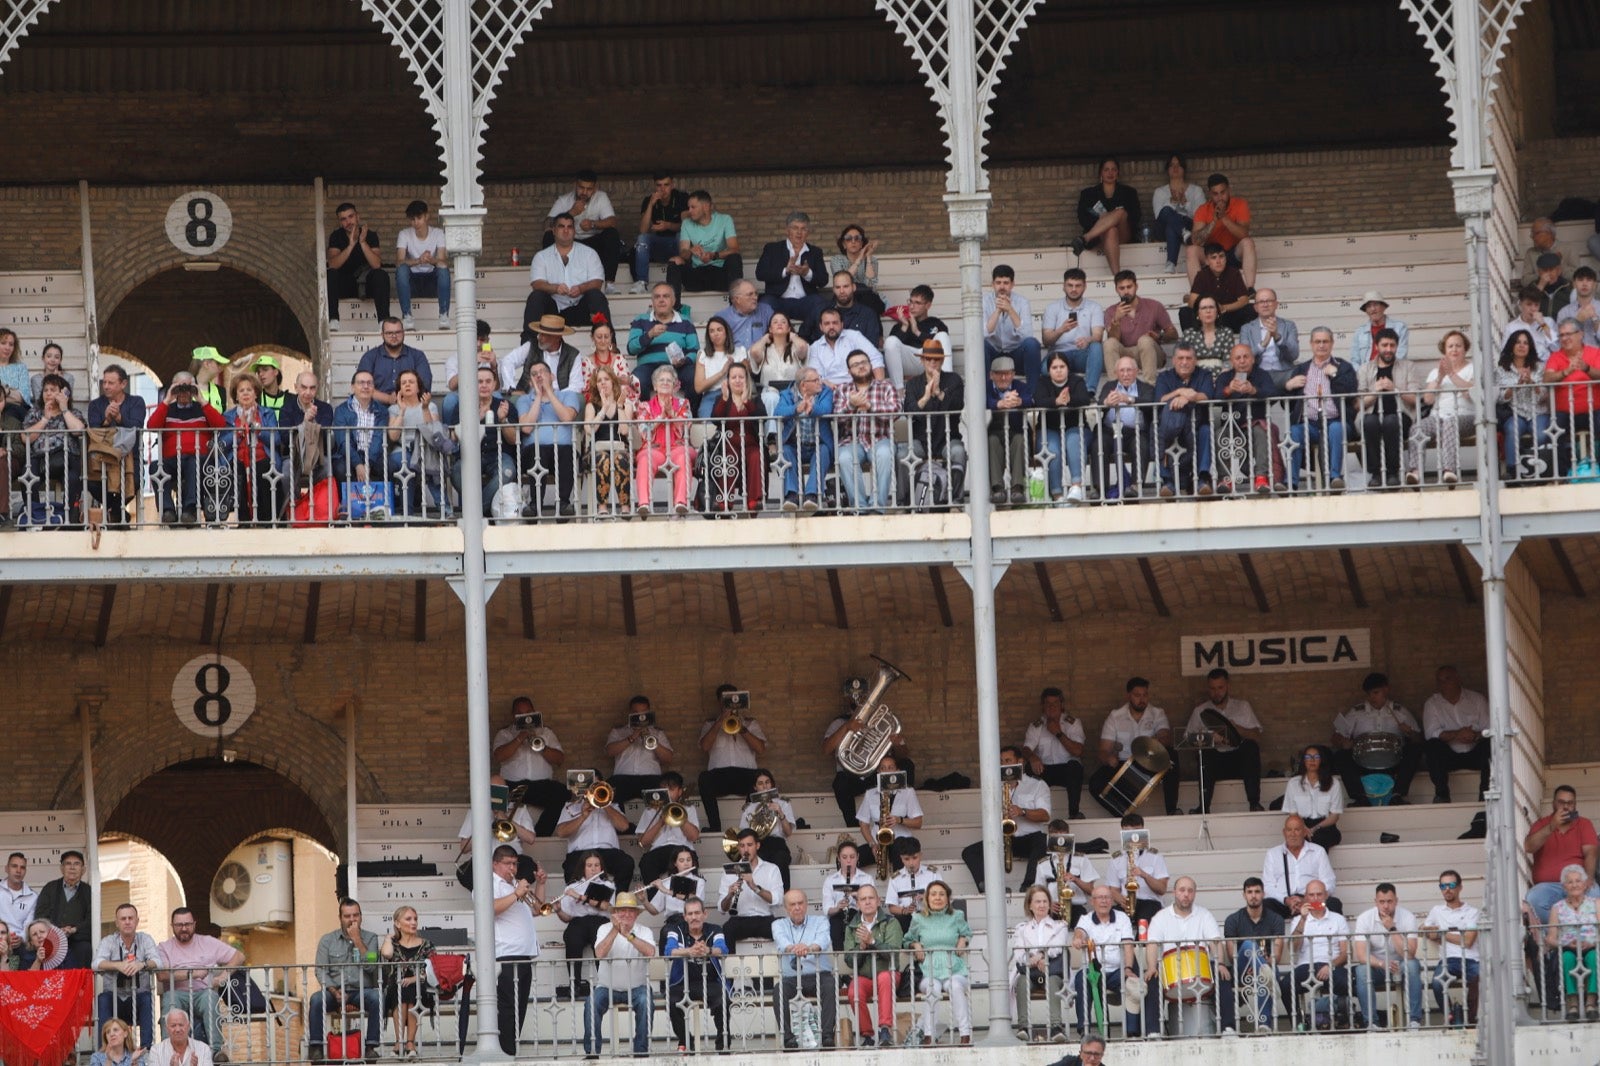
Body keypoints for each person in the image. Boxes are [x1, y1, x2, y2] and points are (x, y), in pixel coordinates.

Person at [1139, 875, 1222, 1036]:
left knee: (1223, 976)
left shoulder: (1204, 914)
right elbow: (1152, 944)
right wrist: (1151, 967)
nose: (1186, 894)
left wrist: (1220, 964)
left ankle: (1228, 1028)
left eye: (1190, 891)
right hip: (1170, 969)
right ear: (1174, 892)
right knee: (1152, 979)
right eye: (1182, 890)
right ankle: (1153, 1031)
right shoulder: (1160, 917)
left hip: (1201, 966)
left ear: (1195, 894)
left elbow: (1215, 941)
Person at [1088, 678, 1179, 817]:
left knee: (1172, 755)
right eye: (1137, 695)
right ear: (1128, 695)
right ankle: (1122, 815)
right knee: (1095, 782)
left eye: (1145, 695)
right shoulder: (1115, 716)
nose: (1142, 699)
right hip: (1125, 764)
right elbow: (1103, 751)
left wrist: (1156, 741)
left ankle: (1172, 810)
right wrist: (1108, 758)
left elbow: (1165, 737)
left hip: (1150, 762)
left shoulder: (1157, 713)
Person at [962, 746, 1049, 892]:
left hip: (1030, 839)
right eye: (1001, 761)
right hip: (1005, 838)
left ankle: (1028, 886)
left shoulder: (1037, 785)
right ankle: (989, 888)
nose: (1004, 765)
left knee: (1042, 840)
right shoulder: (994, 787)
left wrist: (1022, 811)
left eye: (1008, 760)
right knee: (969, 852)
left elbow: (1045, 815)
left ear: (1020, 762)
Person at [482, 846, 542, 1056]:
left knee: (519, 1008)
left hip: (524, 954)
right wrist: (516, 894)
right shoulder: (488, 883)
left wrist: (540, 885)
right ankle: (505, 1052)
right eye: (508, 863)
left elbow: (537, 909)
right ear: (494, 864)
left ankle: (509, 1050)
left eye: (515, 863)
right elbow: (488, 908)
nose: (513, 868)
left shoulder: (515, 885)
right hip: (506, 954)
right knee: (508, 1009)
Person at [1330, 671, 1423, 806]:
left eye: (1376, 693)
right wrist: (1343, 742)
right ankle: (1360, 797)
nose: (1372, 697)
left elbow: (1419, 739)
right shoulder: (1357, 712)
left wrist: (1410, 733)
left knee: (1414, 750)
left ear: (1386, 689)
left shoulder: (1400, 711)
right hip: (1363, 763)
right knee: (1341, 756)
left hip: (1394, 763)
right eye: (1369, 694)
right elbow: (1335, 737)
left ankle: (1397, 795)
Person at [307, 899, 383, 1062]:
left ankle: (370, 1047)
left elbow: (371, 967)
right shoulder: (327, 940)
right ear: (340, 917)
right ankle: (316, 1047)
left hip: (362, 990)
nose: (352, 919)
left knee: (377, 998)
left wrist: (357, 940)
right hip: (334, 991)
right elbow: (320, 970)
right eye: (347, 916)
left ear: (361, 917)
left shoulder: (371, 939)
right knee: (316, 999)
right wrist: (334, 991)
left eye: (356, 915)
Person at [156, 908, 242, 1049]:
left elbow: (239, 957)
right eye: (179, 925)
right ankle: (169, 1051)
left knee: (210, 997)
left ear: (194, 924)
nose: (184, 928)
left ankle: (216, 1051)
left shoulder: (208, 942)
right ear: (172, 926)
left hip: (203, 992)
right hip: (177, 994)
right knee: (170, 1000)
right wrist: (193, 974)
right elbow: (162, 975)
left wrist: (222, 978)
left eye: (187, 924)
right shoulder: (164, 947)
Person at [1284, 326, 1358, 491]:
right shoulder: (1301, 369)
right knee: (1293, 431)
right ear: (1311, 344)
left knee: (1336, 429)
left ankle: (1334, 477)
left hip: (1336, 421)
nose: (1321, 345)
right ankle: (1291, 482)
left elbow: (1351, 391)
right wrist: (1288, 386)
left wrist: (1335, 375)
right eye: (1317, 341)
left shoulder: (1343, 366)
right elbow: (1286, 404)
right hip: (1309, 424)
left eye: (1325, 341)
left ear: (1332, 344)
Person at [147, 372, 226, 526]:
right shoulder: (167, 409)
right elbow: (152, 426)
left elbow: (220, 425)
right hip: (172, 459)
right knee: (155, 467)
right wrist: (168, 399)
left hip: (198, 459)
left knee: (193, 462)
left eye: (187, 387)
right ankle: (168, 511)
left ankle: (190, 510)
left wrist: (201, 399)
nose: (183, 392)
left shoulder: (202, 408)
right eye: (179, 388)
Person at [583, 892, 655, 1056]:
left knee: (645, 1001)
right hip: (606, 987)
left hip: (637, 988)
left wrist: (629, 936)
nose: (626, 914)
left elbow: (650, 952)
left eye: (631, 910)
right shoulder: (604, 929)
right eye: (622, 910)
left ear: (636, 914)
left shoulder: (644, 931)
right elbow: (599, 953)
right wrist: (615, 930)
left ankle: (640, 1053)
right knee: (591, 1004)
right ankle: (592, 1053)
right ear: (614, 913)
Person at [1185, 667, 1265, 812]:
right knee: (1205, 754)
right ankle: (1203, 807)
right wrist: (1210, 739)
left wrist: (1236, 729)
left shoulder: (1242, 706)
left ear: (1228, 686)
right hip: (1215, 763)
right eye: (1212, 688)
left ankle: (1254, 803)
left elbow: (1257, 736)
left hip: (1240, 761)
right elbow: (1187, 740)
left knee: (1250, 747)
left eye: (1220, 687)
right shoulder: (1200, 710)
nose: (1217, 692)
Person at [1404, 329, 1476, 485]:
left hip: (1466, 416)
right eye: (1450, 346)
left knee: (1450, 423)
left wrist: (1452, 375)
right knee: (1417, 428)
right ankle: (1415, 472)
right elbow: (1428, 399)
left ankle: (1449, 470)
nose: (1454, 350)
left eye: (1458, 346)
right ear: (1445, 350)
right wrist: (1440, 377)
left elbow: (1469, 393)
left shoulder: (1472, 368)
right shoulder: (1436, 372)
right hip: (1438, 416)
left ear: (1465, 349)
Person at [905, 879, 972, 1045]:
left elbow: (967, 932)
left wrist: (963, 939)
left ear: (948, 899)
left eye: (942, 894)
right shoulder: (919, 918)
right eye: (933, 894)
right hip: (930, 970)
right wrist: (916, 944)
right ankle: (928, 1034)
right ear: (927, 899)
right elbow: (907, 940)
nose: (937, 897)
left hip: (954, 969)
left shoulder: (957, 916)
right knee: (932, 988)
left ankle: (965, 1033)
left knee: (955, 987)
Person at [901, 338, 966, 507]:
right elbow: (908, 412)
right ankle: (904, 503)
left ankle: (955, 502)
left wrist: (938, 393)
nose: (932, 362)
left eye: (936, 359)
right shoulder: (913, 384)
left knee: (958, 452)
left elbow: (957, 406)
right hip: (921, 440)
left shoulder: (953, 380)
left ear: (942, 360)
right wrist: (925, 397)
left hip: (947, 438)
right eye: (928, 359)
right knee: (903, 455)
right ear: (922, 360)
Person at [829, 349, 897, 511]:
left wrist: (870, 407)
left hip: (880, 438)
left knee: (885, 454)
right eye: (855, 364)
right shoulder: (842, 390)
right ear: (849, 370)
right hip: (850, 440)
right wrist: (851, 405)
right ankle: (859, 507)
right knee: (844, 457)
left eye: (864, 363)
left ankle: (877, 506)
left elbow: (895, 411)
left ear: (871, 365)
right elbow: (836, 417)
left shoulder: (885, 386)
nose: (861, 367)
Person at [490, 696, 567, 836]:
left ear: (534, 712)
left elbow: (559, 759)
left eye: (529, 711)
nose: (525, 715)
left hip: (541, 786)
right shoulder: (505, 733)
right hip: (513, 786)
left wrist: (541, 746)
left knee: (562, 792)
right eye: (520, 712)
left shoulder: (546, 733)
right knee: (494, 791)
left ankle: (541, 834)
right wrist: (520, 737)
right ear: (513, 716)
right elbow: (498, 756)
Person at [1351, 882, 1424, 1030]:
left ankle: (1414, 1020)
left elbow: (1409, 954)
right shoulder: (1365, 918)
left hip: (1401, 964)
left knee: (1412, 965)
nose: (1385, 906)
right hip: (1377, 966)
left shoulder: (1407, 917)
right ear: (1375, 902)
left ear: (1396, 901)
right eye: (1382, 902)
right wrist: (1382, 964)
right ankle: (1372, 1023)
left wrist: (1392, 928)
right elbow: (1361, 955)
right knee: (1361, 970)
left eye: (1389, 901)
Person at [1208, 342, 1279, 493]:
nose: (1242, 361)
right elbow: (1215, 397)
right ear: (1232, 361)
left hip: (1254, 424)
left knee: (1261, 432)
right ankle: (1225, 480)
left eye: (1245, 357)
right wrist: (1229, 389)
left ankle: (1261, 478)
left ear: (1252, 359)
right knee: (1218, 434)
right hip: (1231, 426)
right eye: (1238, 358)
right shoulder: (1225, 377)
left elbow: (1273, 395)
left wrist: (1254, 390)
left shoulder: (1262, 375)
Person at [1355, 328, 1421, 490]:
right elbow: (1358, 404)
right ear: (1377, 346)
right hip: (1372, 417)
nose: (1388, 349)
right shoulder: (1365, 369)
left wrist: (1395, 389)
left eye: (1392, 345)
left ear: (1397, 347)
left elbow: (1415, 400)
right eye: (1384, 345)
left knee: (1391, 421)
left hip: (1401, 417)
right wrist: (1375, 391)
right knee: (1370, 422)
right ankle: (1376, 474)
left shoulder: (1408, 366)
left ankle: (1392, 473)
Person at [449, 367, 518, 518]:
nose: (484, 385)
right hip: (471, 455)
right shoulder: (463, 406)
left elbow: (513, 440)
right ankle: (484, 511)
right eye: (479, 381)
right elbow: (454, 438)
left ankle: (475, 513)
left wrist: (503, 420)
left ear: (494, 385)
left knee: (508, 471)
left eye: (488, 381)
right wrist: (473, 419)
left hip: (499, 455)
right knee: (456, 472)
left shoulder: (505, 406)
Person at [771, 890, 837, 1050]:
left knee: (830, 986)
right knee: (778, 991)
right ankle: (788, 1038)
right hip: (792, 978)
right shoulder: (778, 924)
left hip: (819, 974)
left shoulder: (821, 921)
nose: (797, 907)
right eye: (793, 904)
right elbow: (782, 942)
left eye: (800, 903)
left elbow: (823, 941)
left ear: (806, 905)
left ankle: (827, 1036)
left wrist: (808, 948)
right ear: (786, 908)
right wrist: (794, 948)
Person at [1523, 785, 1600, 921]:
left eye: (1570, 803)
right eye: (1561, 802)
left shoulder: (1584, 824)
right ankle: (1557, 934)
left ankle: (1581, 935)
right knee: (1533, 898)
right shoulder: (1542, 824)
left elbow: (1591, 853)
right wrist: (1552, 826)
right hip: (1548, 885)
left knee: (1595, 894)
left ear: (1575, 805)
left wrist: (1588, 877)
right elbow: (1529, 847)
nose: (1566, 807)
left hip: (1577, 883)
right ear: (1553, 803)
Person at [523, 213, 610, 332]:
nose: (566, 230)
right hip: (553, 313)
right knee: (536, 297)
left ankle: (610, 344)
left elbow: (597, 282)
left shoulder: (589, 253)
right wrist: (555, 288)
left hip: (581, 309)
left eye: (569, 227)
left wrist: (581, 288)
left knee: (596, 295)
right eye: (561, 226)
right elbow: (536, 284)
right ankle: (529, 345)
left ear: (574, 231)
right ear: (553, 230)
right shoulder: (541, 256)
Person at [697, 684, 767, 831]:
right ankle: (715, 827)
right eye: (725, 700)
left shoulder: (750, 723)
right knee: (704, 778)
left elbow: (760, 749)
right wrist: (720, 721)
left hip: (746, 775)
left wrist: (743, 729)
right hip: (719, 776)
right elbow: (704, 747)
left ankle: (750, 826)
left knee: (761, 776)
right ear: (719, 702)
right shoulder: (710, 724)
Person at [515, 362, 581, 518]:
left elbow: (566, 418)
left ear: (552, 376)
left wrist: (549, 393)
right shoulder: (524, 400)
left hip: (562, 450)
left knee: (566, 451)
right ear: (530, 382)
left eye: (543, 371)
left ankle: (563, 504)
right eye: (534, 373)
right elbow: (526, 428)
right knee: (538, 451)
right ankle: (535, 505)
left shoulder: (567, 395)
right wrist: (538, 396)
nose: (539, 375)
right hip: (534, 452)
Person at [1219, 877, 1284, 1034]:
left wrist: (1261, 963)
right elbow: (1231, 954)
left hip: (1265, 967)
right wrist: (1256, 961)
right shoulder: (1233, 920)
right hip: (1241, 969)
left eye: (1257, 892)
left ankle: (1263, 1025)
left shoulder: (1276, 919)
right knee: (1248, 945)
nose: (1253, 895)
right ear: (1244, 895)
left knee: (1266, 972)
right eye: (1249, 892)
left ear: (1263, 894)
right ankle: (1267, 975)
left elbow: (1277, 955)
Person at [1070, 884, 1136, 1038]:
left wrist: (1128, 968)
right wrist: (1078, 939)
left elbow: (1128, 945)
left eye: (1107, 897)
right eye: (1100, 897)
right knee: (1082, 979)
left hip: (1117, 971)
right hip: (1093, 970)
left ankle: (1133, 1031)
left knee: (1134, 985)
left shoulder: (1122, 918)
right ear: (1093, 901)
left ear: (1112, 900)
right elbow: (1079, 932)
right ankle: (1083, 1029)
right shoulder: (1085, 919)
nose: (1104, 901)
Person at [842, 884, 903, 1047]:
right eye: (863, 899)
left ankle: (884, 1029)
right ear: (857, 904)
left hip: (888, 975)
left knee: (884, 977)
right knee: (854, 989)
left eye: (871, 898)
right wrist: (861, 947)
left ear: (878, 901)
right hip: (865, 977)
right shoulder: (851, 927)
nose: (867, 902)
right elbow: (848, 960)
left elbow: (893, 952)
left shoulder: (891, 922)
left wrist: (873, 942)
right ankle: (866, 1034)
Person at [663, 898, 728, 1051]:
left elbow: (723, 949)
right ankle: (686, 1042)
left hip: (710, 982)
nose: (694, 917)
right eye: (690, 914)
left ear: (705, 914)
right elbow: (668, 951)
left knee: (723, 1000)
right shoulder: (675, 930)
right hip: (682, 983)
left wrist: (708, 951)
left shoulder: (715, 929)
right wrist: (689, 951)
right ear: (685, 917)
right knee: (671, 1002)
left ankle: (723, 1044)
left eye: (697, 913)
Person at [384, 369, 450, 520]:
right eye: (403, 383)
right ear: (399, 388)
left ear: (418, 387)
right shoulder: (394, 409)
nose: (407, 385)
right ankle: (408, 513)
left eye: (411, 382)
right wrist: (402, 411)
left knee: (430, 465)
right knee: (406, 462)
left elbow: (433, 431)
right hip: (402, 450)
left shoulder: (430, 406)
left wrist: (425, 408)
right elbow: (393, 436)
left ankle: (445, 510)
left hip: (424, 449)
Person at [19, 373, 85, 522]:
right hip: (40, 458)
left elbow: (78, 430)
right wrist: (44, 419)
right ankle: (34, 515)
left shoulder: (73, 413)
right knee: (27, 475)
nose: (48, 393)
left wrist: (64, 409)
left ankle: (70, 517)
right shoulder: (34, 413)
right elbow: (25, 438)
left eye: (53, 389)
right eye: (45, 390)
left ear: (63, 393)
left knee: (73, 478)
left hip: (66, 458)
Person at [87, 364, 147, 527]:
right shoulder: (96, 405)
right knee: (92, 483)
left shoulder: (136, 402)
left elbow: (137, 426)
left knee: (135, 481)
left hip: (129, 455)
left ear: (123, 384)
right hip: (103, 456)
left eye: (111, 383)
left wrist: (119, 417)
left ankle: (113, 512)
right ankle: (118, 512)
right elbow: (93, 430)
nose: (106, 386)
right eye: (104, 382)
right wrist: (106, 420)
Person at [1152, 341, 1215, 497]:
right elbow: (1160, 399)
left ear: (1195, 360)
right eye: (1180, 358)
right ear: (1173, 360)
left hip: (1197, 425)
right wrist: (1180, 392)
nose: (1184, 362)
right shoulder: (1164, 376)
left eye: (1188, 358)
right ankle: (1168, 482)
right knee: (1157, 431)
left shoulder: (1204, 375)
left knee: (1206, 430)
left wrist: (1191, 397)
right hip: (1171, 427)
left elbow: (1207, 395)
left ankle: (1202, 479)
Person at [1287, 879, 1351, 1030]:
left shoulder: (1338, 919)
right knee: (1285, 985)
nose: (1315, 899)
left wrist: (1331, 965)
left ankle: (1341, 1018)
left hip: (1331, 965)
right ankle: (1298, 1025)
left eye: (1319, 894)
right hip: (1306, 966)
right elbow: (1293, 948)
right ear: (1306, 898)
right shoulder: (1298, 920)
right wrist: (1303, 919)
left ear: (1326, 896)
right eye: (1311, 895)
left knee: (1346, 980)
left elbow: (1346, 952)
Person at [1420, 665, 1490, 803]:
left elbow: (1489, 729)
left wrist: (1475, 735)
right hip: (1449, 756)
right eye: (1440, 681)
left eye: (1448, 679)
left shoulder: (1476, 699)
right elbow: (1431, 733)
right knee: (1432, 746)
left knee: (1490, 744)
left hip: (1474, 753)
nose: (1444, 684)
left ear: (1458, 679)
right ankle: (1442, 794)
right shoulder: (1432, 703)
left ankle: (1485, 793)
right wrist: (1457, 734)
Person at [95, 903, 161, 1049]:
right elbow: (96, 963)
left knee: (147, 997)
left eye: (131, 918)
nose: (127, 921)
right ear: (117, 923)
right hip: (114, 998)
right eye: (123, 918)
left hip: (137, 997)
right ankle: (104, 1051)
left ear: (137, 921)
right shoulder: (108, 941)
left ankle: (146, 1050)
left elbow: (158, 961)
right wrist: (118, 965)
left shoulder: (145, 939)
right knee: (103, 999)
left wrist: (141, 964)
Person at [634, 365, 697, 517]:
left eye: (669, 380)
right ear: (655, 385)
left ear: (675, 386)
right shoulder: (644, 406)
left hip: (677, 446)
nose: (665, 383)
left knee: (683, 456)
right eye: (661, 380)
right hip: (655, 448)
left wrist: (672, 414)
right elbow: (644, 432)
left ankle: (680, 503)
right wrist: (661, 417)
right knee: (645, 458)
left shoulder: (683, 404)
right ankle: (644, 503)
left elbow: (685, 429)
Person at [543, 169, 622, 290]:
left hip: (593, 244)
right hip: (570, 244)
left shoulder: (601, 197)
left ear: (595, 188)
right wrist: (571, 213)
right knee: (548, 236)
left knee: (612, 234)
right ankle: (552, 283)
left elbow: (612, 222)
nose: (584, 192)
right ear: (575, 185)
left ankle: (610, 284)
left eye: (589, 189)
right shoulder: (564, 200)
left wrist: (594, 224)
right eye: (581, 188)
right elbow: (546, 225)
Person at [1421, 869, 1480, 1025]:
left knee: (1482, 979)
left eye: (1451, 885)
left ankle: (1470, 1018)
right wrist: (1432, 933)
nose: (1447, 889)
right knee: (1437, 982)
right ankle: (1451, 1016)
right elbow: (1423, 930)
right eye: (1443, 886)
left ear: (1460, 887)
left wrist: (1441, 933)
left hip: (1471, 960)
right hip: (1448, 960)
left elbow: (1468, 941)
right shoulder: (1436, 911)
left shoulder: (1472, 912)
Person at [221, 373, 281, 525]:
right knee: (237, 471)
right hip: (237, 460)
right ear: (236, 395)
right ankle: (244, 522)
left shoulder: (267, 413)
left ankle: (266, 521)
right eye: (241, 391)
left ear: (256, 393)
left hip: (263, 458)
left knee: (263, 469)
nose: (246, 393)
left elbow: (277, 440)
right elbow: (223, 442)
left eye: (249, 390)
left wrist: (258, 428)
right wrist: (239, 431)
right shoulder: (228, 416)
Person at [1094, 354, 1156, 500]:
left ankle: (1134, 486)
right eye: (1122, 371)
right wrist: (1106, 402)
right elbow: (1099, 404)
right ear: (1116, 373)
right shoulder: (1109, 386)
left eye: (1129, 370)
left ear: (1137, 371)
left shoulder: (1145, 387)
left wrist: (1129, 399)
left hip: (1135, 432)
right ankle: (1099, 488)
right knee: (1099, 444)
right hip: (1111, 430)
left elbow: (1149, 402)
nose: (1126, 374)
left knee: (1141, 445)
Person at [1543, 319, 1600, 479]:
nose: (1564, 338)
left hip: (1594, 409)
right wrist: (1565, 372)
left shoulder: (1594, 352)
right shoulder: (1556, 356)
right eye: (1561, 335)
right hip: (1565, 412)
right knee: (1553, 431)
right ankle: (1562, 475)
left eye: (1568, 334)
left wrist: (1586, 368)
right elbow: (1547, 379)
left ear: (1580, 334)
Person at [1011, 884, 1068, 1042]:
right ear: (1030, 905)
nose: (1042, 905)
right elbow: (1019, 953)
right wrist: (1033, 961)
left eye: (1045, 901)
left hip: (1052, 971)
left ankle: (1056, 1027)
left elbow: (1057, 947)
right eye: (1037, 902)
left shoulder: (1060, 926)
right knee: (1022, 981)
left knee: (1051, 981)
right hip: (1030, 971)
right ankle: (1024, 1027)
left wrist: (1041, 956)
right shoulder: (1021, 929)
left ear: (1050, 904)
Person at [555, 774, 634, 887]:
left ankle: (617, 900)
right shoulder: (570, 807)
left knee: (626, 863)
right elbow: (561, 832)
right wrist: (582, 816)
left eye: (595, 785)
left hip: (608, 852)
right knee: (570, 867)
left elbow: (624, 826)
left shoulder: (613, 806)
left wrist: (604, 803)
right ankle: (577, 900)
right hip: (580, 853)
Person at [707, 362, 766, 513]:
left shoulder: (755, 398)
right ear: (728, 381)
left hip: (750, 445)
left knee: (755, 456)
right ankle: (724, 500)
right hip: (728, 446)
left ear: (747, 380)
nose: (738, 380)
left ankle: (754, 501)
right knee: (729, 456)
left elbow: (762, 418)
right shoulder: (722, 399)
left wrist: (747, 403)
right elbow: (715, 419)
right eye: (734, 377)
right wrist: (725, 399)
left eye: (741, 377)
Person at [775, 367, 835, 512]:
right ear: (803, 384)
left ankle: (811, 495)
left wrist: (813, 408)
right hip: (795, 445)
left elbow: (827, 409)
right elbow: (778, 412)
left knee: (824, 451)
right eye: (815, 380)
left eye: (818, 378)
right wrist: (796, 409)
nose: (819, 382)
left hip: (818, 444)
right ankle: (791, 495)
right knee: (786, 451)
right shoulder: (787, 394)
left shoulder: (825, 392)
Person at [666, 190, 742, 305]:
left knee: (735, 258)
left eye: (693, 207)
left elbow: (735, 248)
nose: (689, 211)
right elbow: (683, 253)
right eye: (689, 207)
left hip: (720, 275)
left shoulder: (725, 220)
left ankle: (736, 308)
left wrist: (714, 255)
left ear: (706, 207)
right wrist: (690, 251)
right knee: (674, 262)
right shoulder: (687, 223)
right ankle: (674, 311)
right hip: (697, 275)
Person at [1544, 864, 1600, 1021]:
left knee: (1593, 957)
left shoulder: (1596, 903)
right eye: (1570, 882)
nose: (1574, 885)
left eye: (1578, 881)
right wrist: (1565, 944)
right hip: (1568, 947)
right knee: (1567, 959)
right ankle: (1572, 1004)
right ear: (1564, 886)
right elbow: (1551, 938)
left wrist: (1593, 941)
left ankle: (1591, 1003)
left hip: (1593, 946)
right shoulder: (1557, 908)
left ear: (1584, 883)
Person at [755, 212, 828, 332]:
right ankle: (766, 343)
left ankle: (806, 336)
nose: (799, 232)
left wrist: (807, 273)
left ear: (808, 232)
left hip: (805, 301)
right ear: (787, 230)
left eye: (803, 229)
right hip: (778, 300)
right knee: (765, 304)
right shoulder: (772, 249)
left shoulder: (815, 252)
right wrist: (785, 271)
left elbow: (823, 280)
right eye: (795, 228)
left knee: (820, 304)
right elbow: (760, 273)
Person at [628, 283, 700, 403]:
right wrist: (649, 335)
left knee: (694, 377)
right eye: (657, 297)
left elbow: (694, 350)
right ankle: (644, 415)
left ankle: (692, 416)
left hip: (679, 367)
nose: (661, 300)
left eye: (666, 296)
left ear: (673, 300)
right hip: (648, 367)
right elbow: (631, 349)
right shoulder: (640, 320)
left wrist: (684, 360)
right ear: (652, 301)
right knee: (637, 379)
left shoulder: (685, 321)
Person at [555, 850, 614, 999]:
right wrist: (558, 910)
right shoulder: (572, 887)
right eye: (589, 865)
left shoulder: (608, 884)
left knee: (600, 939)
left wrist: (580, 897)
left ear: (601, 868)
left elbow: (604, 906)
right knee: (571, 937)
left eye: (596, 865)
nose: (593, 869)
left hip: (600, 920)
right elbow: (567, 918)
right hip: (579, 921)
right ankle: (574, 984)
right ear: (583, 868)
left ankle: (605, 984)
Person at [1102, 270, 1177, 385]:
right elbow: (1113, 339)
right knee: (1109, 343)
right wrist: (1116, 319)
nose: (1126, 291)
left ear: (1136, 286)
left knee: (1145, 340)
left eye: (1129, 287)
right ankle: (1115, 389)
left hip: (1150, 353)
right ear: (1116, 289)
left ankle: (1150, 387)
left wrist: (1159, 336)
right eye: (1122, 288)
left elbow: (1173, 334)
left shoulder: (1154, 306)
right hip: (1125, 356)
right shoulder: (1111, 311)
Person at [378, 905, 434, 1058]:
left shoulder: (426, 944)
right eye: (408, 919)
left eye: (415, 919)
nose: (413, 922)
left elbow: (432, 970)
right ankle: (402, 1041)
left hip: (420, 985)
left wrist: (414, 978)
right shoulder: (393, 944)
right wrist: (389, 938)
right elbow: (387, 954)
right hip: (396, 987)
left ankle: (408, 1042)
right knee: (401, 990)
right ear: (397, 923)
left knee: (411, 990)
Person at [1022, 687, 1087, 819]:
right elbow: (1026, 749)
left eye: (1055, 703)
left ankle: (1074, 813)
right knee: (1028, 768)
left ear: (1062, 705)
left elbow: (1078, 751)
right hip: (1045, 769)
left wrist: (1058, 733)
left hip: (1067, 770)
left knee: (1074, 766)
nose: (1051, 707)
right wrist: (1033, 757)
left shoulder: (1073, 723)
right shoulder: (1036, 725)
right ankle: (1033, 813)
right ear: (1043, 706)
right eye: (1048, 704)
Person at [1496, 328, 1551, 480]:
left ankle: (1538, 469)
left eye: (1525, 343)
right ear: (1511, 346)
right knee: (1512, 429)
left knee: (1540, 435)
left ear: (1530, 347)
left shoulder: (1539, 367)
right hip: (1515, 413)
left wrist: (1532, 383)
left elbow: (1545, 395)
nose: (1522, 346)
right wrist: (1517, 386)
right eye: (1518, 342)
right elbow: (1500, 397)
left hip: (1538, 411)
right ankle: (1512, 471)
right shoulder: (1501, 370)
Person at [1185, 173, 1256, 289]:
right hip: (1211, 255)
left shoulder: (1240, 204)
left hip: (1233, 254)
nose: (1220, 197)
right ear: (1210, 194)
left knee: (1248, 242)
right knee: (1191, 250)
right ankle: (1197, 294)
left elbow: (1244, 234)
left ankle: (1250, 289)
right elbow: (1196, 241)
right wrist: (1214, 221)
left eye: (1223, 192)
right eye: (1215, 194)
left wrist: (1224, 218)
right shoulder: (1203, 210)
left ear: (1228, 190)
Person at [1262, 814, 1341, 917]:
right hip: (1284, 904)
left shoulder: (1318, 851)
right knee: (1265, 905)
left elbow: (1329, 882)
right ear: (1284, 832)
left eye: (1297, 830)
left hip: (1312, 904)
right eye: (1289, 830)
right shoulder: (1273, 854)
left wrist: (1309, 899)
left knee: (1333, 904)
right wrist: (1286, 900)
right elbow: (1267, 886)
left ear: (1305, 832)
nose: (1293, 834)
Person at [326, 202, 389, 331]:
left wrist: (362, 242)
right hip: (346, 284)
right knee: (330, 274)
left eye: (351, 217)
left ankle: (383, 321)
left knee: (381, 274)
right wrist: (351, 245)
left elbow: (376, 264)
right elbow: (332, 264)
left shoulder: (370, 235)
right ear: (339, 222)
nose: (348, 222)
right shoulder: (336, 236)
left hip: (367, 285)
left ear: (357, 217)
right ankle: (333, 320)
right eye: (343, 219)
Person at [1072, 157, 1139, 277]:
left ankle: (1085, 238)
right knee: (1111, 230)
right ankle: (1117, 276)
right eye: (1106, 169)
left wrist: (1111, 217)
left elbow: (1136, 217)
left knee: (1120, 212)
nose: (1110, 173)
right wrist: (1105, 221)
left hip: (1124, 233)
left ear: (1118, 173)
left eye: (1113, 169)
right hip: (1099, 237)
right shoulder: (1088, 194)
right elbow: (1082, 218)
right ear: (1100, 173)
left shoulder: (1129, 192)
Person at [1042, 268, 1106, 395]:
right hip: (1059, 354)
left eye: (1078, 286)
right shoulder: (1052, 307)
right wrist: (1061, 330)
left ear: (1085, 286)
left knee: (1096, 346)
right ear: (1063, 286)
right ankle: (1061, 392)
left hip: (1083, 354)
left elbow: (1098, 336)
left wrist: (1087, 340)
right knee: (1044, 369)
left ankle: (1089, 391)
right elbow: (1046, 341)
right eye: (1070, 285)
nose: (1074, 289)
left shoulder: (1094, 307)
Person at [717, 830, 783, 949]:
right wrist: (729, 895)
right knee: (727, 929)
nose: (746, 850)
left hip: (765, 919)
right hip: (740, 919)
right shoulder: (729, 871)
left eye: (749, 845)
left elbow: (777, 900)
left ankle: (782, 966)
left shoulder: (772, 869)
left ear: (757, 845)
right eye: (742, 846)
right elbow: (722, 909)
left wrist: (755, 888)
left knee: (783, 926)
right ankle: (729, 967)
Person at [857, 754, 924, 870]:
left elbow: (918, 823)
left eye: (890, 767)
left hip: (901, 841)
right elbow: (863, 824)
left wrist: (900, 820)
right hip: (878, 842)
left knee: (899, 847)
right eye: (883, 768)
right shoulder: (870, 794)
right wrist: (872, 844)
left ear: (897, 770)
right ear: (878, 772)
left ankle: (899, 884)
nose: (887, 771)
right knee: (852, 857)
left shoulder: (908, 792)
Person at [585, 364, 636, 517]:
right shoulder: (591, 406)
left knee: (620, 458)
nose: (603, 383)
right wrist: (603, 409)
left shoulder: (626, 405)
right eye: (599, 380)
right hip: (597, 451)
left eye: (606, 379)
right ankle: (602, 506)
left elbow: (624, 430)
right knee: (603, 459)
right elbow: (589, 430)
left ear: (613, 382)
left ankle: (625, 507)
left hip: (619, 448)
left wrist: (618, 406)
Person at [636, 772, 702, 886]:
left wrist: (679, 816)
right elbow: (643, 842)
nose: (666, 792)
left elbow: (694, 836)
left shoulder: (688, 808)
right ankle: (654, 899)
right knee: (646, 862)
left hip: (682, 849)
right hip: (658, 850)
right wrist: (661, 821)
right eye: (663, 789)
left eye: (671, 789)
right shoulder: (650, 810)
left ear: (680, 791)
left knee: (688, 861)